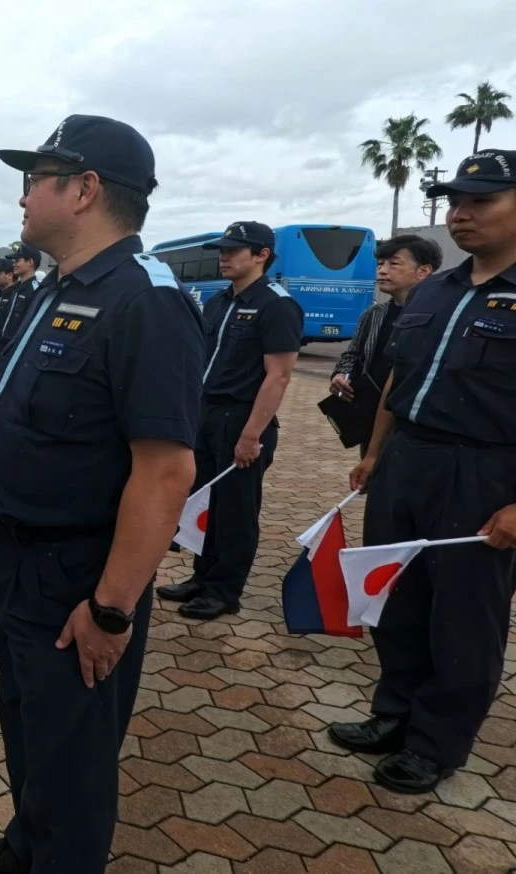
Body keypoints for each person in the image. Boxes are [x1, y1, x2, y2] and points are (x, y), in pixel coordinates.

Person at [0, 115, 203, 874]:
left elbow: (165, 472)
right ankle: (30, 848)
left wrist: (112, 610)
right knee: (32, 728)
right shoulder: (63, 286)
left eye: (35, 178)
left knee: (76, 757)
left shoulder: (144, 301)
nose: (22, 196)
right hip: (17, 558)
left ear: (85, 190)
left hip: (77, 578)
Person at [327, 149, 516, 794]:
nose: (460, 214)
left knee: (464, 615)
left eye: (480, 201)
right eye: (454, 201)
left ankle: (436, 742)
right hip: (407, 457)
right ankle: (394, 712)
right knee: (396, 597)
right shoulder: (435, 289)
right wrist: (375, 454)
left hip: (485, 470)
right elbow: (399, 378)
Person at [157, 221, 303, 620]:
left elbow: (279, 375)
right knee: (203, 502)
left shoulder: (277, 305)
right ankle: (201, 577)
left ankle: (225, 590)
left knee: (236, 511)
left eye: (235, 250)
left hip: (242, 419)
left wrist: (251, 435)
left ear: (261, 256)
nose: (224, 256)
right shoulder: (219, 302)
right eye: (222, 249)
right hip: (206, 413)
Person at [330, 235, 443, 457]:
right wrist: (341, 375)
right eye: (380, 264)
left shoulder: (441, 316)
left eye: (394, 263)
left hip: (414, 426)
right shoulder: (373, 314)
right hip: (370, 417)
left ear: (424, 271)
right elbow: (352, 355)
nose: (382, 270)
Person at [0, 245, 40, 361]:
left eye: (17, 261)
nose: (14, 264)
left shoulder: (36, 290)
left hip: (14, 349)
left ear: (30, 262)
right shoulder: (14, 289)